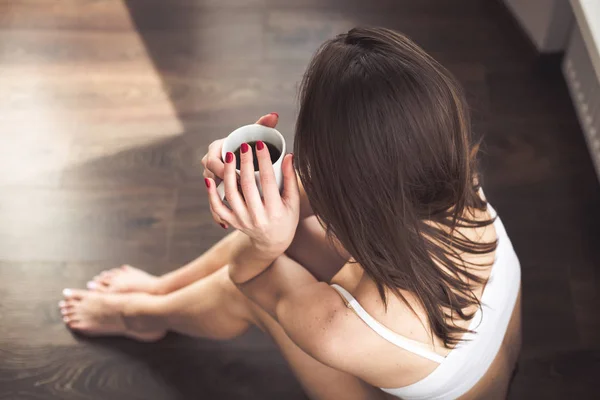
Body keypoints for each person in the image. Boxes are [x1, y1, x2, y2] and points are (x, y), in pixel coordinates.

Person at [58, 27, 521, 399]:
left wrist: (265, 236)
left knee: (256, 271)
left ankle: (140, 316)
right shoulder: (453, 172)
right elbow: (339, 190)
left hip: (404, 342)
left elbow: (246, 278)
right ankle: (159, 292)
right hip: (458, 345)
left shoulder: (342, 332)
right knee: (280, 224)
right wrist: (248, 178)